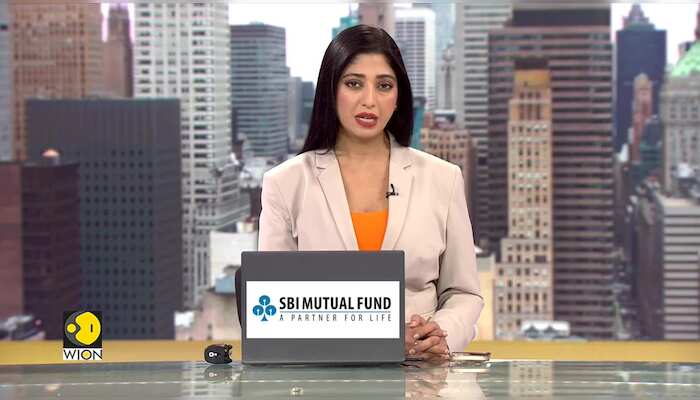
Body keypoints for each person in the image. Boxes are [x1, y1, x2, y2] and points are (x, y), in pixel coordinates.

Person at [258, 25, 483, 361]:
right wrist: (381, 340)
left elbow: (463, 292)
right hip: (323, 375)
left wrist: (440, 333)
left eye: (384, 85)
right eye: (354, 83)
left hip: (423, 374)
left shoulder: (443, 179)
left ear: (398, 96)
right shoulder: (286, 183)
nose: (369, 100)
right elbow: (274, 306)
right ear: (330, 90)